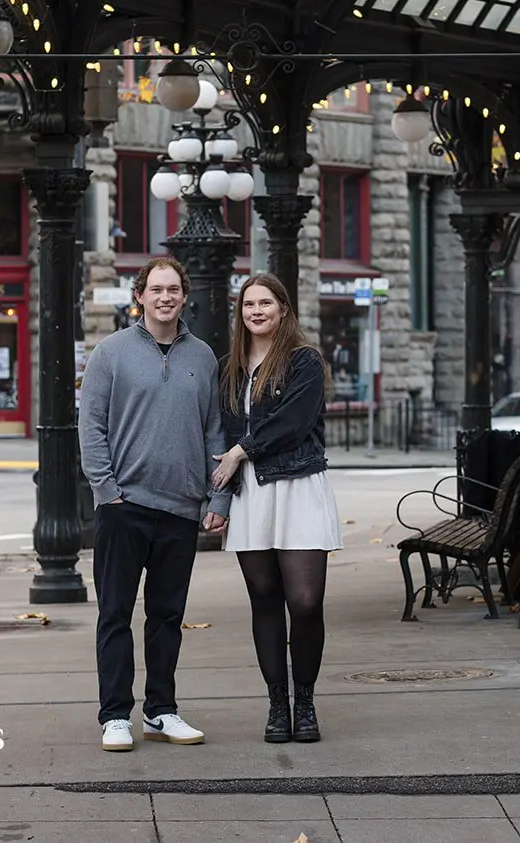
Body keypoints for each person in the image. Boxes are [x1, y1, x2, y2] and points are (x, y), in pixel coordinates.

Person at [78, 256, 231, 753]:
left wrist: (218, 496)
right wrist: (108, 493)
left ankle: (161, 711)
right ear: (139, 296)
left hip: (181, 509)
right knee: (115, 614)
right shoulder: (110, 353)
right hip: (125, 508)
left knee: (167, 616)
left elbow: (215, 432)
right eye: (156, 289)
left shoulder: (204, 356)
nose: (165, 297)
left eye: (173, 289)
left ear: (184, 296)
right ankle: (115, 715)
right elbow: (91, 427)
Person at [211, 274, 341, 744]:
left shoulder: (303, 361)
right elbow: (218, 439)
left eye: (266, 302)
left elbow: (293, 422)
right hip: (252, 496)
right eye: (249, 304)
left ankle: (305, 701)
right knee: (264, 599)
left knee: (305, 602)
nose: (257, 311)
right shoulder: (230, 367)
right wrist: (219, 497)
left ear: (283, 309)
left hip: (299, 486)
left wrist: (242, 450)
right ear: (240, 312)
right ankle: (278, 705)